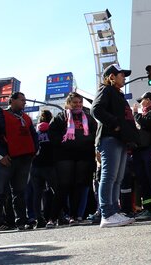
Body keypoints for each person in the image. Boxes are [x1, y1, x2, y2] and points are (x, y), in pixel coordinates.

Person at [91, 64, 139, 228]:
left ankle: (114, 211)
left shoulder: (118, 94)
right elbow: (95, 109)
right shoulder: (106, 90)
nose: (124, 78)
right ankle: (107, 213)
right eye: (121, 75)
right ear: (111, 76)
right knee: (109, 175)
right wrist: (115, 124)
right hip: (109, 138)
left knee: (118, 178)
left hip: (120, 139)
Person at [0, 92, 39, 234]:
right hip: (6, 160)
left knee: (20, 192)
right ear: (12, 100)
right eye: (22, 100)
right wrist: (0, 155)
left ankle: (21, 221)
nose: (24, 102)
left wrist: (34, 151)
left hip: (24, 160)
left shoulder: (26, 118)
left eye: (24, 100)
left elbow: (34, 136)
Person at [49, 92, 98, 226]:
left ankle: (74, 216)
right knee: (63, 186)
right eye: (75, 102)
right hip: (64, 156)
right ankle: (53, 218)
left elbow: (96, 133)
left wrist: (85, 140)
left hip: (84, 156)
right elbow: (52, 135)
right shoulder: (60, 117)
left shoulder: (88, 118)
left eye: (80, 102)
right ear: (68, 103)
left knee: (79, 186)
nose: (78, 105)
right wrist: (68, 142)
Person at [30, 109, 58, 228]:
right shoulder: (52, 131)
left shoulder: (35, 132)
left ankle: (39, 219)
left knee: (37, 194)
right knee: (57, 191)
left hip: (35, 166)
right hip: (50, 165)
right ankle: (58, 216)